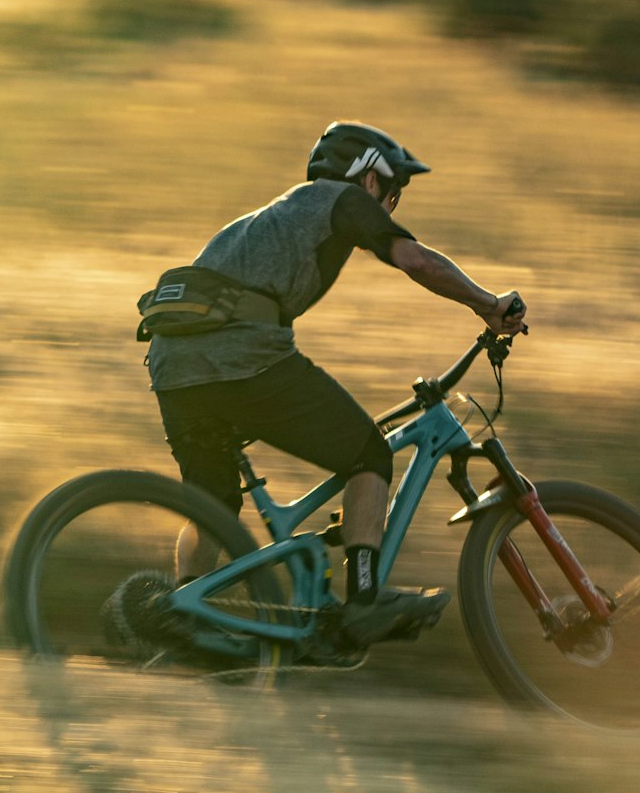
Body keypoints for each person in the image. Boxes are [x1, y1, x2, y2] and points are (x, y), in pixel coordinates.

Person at [130, 121, 528, 652]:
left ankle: (180, 610)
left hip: (173, 367)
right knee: (368, 454)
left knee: (214, 506)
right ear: (369, 178)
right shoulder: (338, 198)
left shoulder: (266, 221)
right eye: (392, 192)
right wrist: (488, 303)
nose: (390, 205)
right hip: (240, 356)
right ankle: (363, 603)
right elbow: (417, 260)